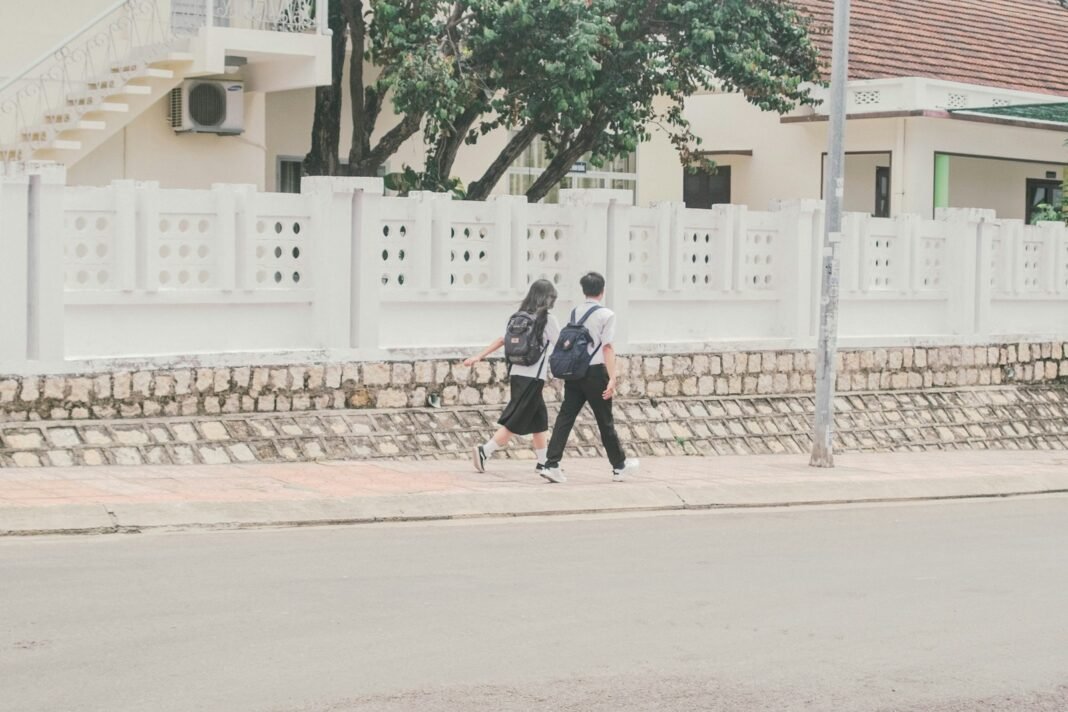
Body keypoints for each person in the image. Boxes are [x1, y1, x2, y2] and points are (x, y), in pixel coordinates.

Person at [540, 272, 639, 484]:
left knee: (565, 417)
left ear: (583, 290)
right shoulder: (607, 315)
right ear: (602, 291)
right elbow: (608, 347)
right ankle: (619, 466)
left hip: (575, 372)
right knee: (604, 420)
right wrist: (612, 377)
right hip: (595, 373)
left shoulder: (576, 312)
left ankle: (551, 464)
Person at [464, 279, 560, 475]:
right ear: (547, 298)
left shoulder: (518, 317)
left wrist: (479, 356)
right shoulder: (547, 319)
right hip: (533, 376)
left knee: (539, 419)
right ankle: (485, 451)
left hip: (517, 372)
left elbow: (502, 340)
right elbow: (560, 344)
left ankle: (543, 463)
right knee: (516, 420)